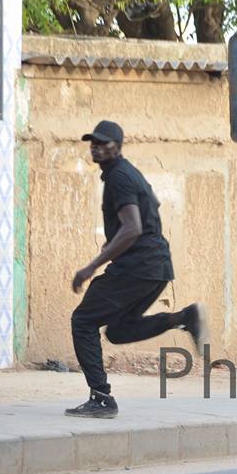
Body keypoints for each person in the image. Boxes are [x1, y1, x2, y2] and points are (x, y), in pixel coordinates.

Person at [66, 120, 206, 419]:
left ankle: (101, 398)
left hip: (138, 266)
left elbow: (132, 228)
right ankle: (182, 318)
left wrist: (91, 266)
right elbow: (151, 205)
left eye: (104, 143)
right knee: (117, 330)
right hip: (156, 267)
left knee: (82, 321)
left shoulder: (119, 178)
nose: (97, 147)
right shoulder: (127, 174)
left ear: (118, 146)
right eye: (93, 142)